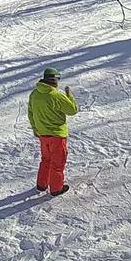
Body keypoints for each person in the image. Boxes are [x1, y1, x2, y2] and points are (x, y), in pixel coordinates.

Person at [28, 67, 79, 196]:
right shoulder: (56, 95)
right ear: (54, 80)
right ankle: (56, 188)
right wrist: (70, 96)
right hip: (57, 135)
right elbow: (72, 110)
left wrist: (36, 130)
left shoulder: (35, 94)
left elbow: (31, 114)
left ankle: (42, 184)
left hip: (42, 135)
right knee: (57, 162)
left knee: (46, 160)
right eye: (58, 79)